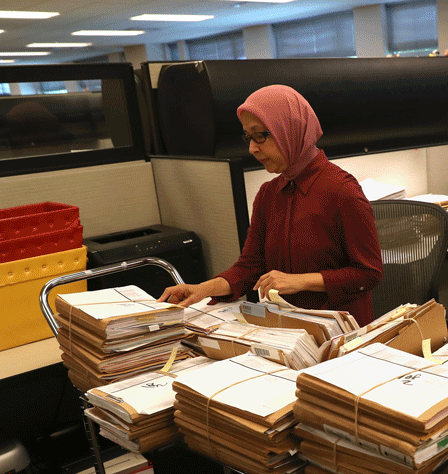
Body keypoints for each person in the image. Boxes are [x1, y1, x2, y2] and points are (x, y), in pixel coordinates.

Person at [159, 85, 383, 325]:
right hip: (285, 328)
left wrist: (300, 281)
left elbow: (369, 273)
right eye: (248, 137)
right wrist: (203, 289)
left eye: (260, 135)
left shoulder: (342, 190)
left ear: (289, 129)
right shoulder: (268, 194)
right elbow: (251, 265)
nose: (252, 148)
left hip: (339, 333)